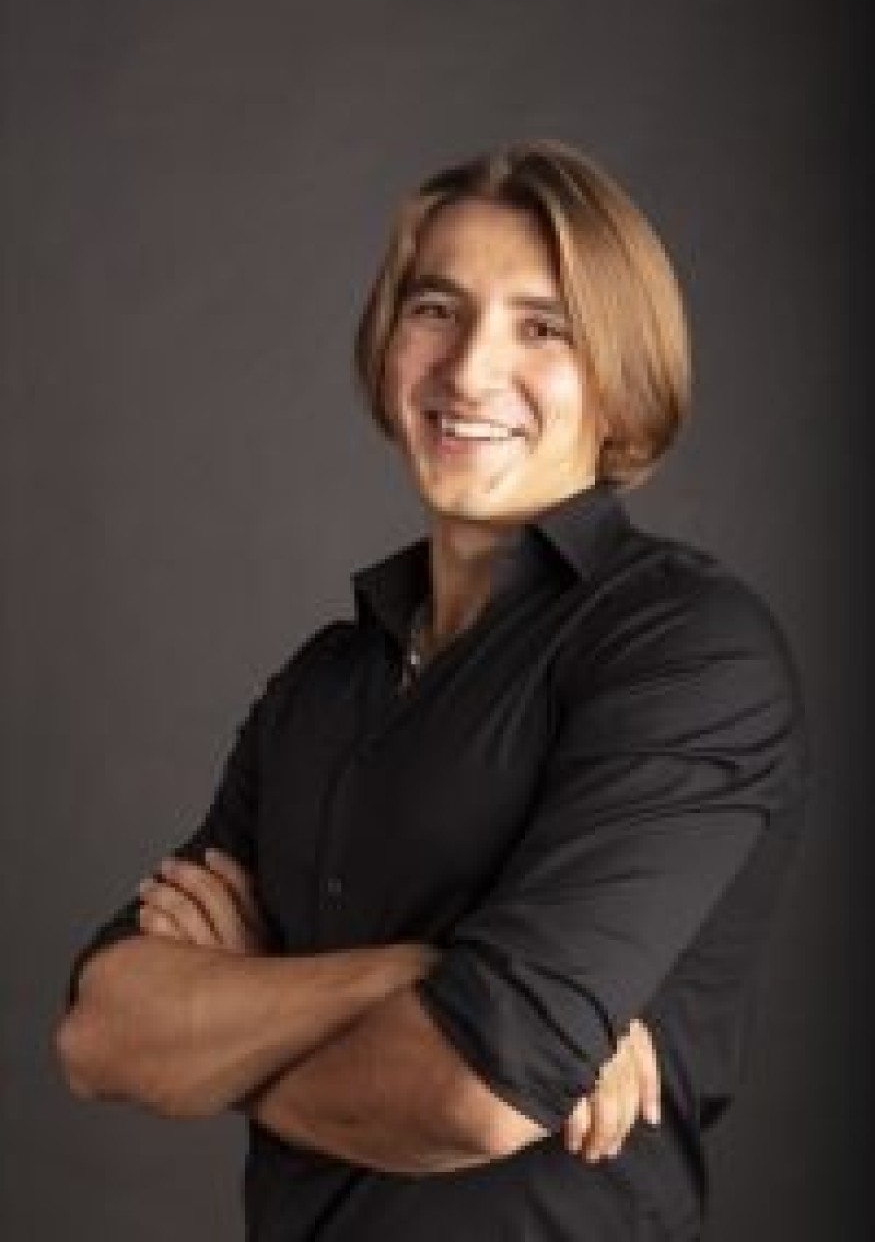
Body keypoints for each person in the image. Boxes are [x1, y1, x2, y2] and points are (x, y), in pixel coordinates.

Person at [55, 140, 807, 1240]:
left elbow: (476, 1093)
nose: (467, 370)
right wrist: (413, 974)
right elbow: (101, 1033)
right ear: (385, 345)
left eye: (541, 327)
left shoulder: (686, 651)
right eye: (436, 309)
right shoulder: (323, 681)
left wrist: (225, 1040)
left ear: (621, 370)